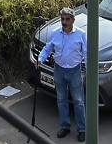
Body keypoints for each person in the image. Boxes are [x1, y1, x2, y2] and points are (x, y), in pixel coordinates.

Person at [34, 8, 88, 141]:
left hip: (74, 71)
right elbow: (47, 48)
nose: (64, 22)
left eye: (67, 19)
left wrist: (88, 71)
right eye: (62, 19)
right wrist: (40, 59)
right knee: (61, 99)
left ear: (73, 20)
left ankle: (82, 129)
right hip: (58, 70)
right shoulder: (55, 33)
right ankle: (65, 126)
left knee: (79, 101)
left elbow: (87, 54)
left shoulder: (81, 34)